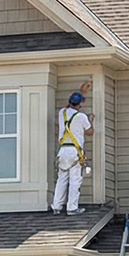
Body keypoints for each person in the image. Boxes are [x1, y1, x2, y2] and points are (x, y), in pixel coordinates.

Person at [49, 81, 93, 214]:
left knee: (62, 178)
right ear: (80, 104)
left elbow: (69, 106)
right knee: (75, 179)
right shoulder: (81, 117)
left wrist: (80, 92)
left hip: (62, 150)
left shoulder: (62, 113)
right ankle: (72, 207)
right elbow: (90, 132)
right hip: (75, 151)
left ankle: (56, 206)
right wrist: (92, 120)